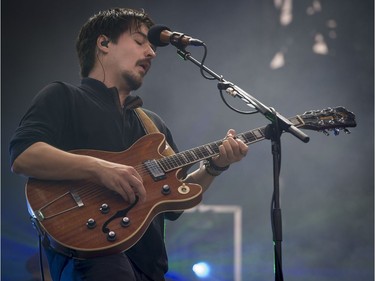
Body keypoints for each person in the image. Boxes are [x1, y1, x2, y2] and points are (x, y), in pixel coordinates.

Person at [9, 7, 249, 281]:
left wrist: (215, 166)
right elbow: (24, 155)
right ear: (103, 44)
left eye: (151, 45)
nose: (151, 52)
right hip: (90, 258)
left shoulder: (153, 125)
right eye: (139, 41)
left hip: (149, 268)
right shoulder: (63, 96)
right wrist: (100, 169)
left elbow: (175, 203)